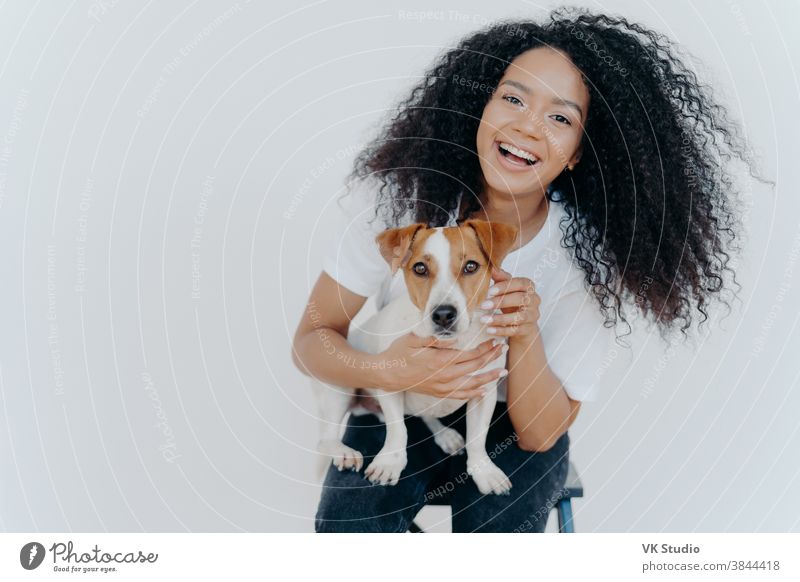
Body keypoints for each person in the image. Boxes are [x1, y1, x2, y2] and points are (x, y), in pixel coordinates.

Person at [292, 8, 762, 532]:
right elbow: (312, 338)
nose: (527, 126)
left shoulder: (585, 254)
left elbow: (540, 434)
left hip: (506, 420)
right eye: (513, 98)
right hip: (394, 402)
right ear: (481, 106)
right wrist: (387, 371)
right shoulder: (395, 203)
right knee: (351, 523)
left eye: (560, 118)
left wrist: (525, 332)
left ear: (580, 152)